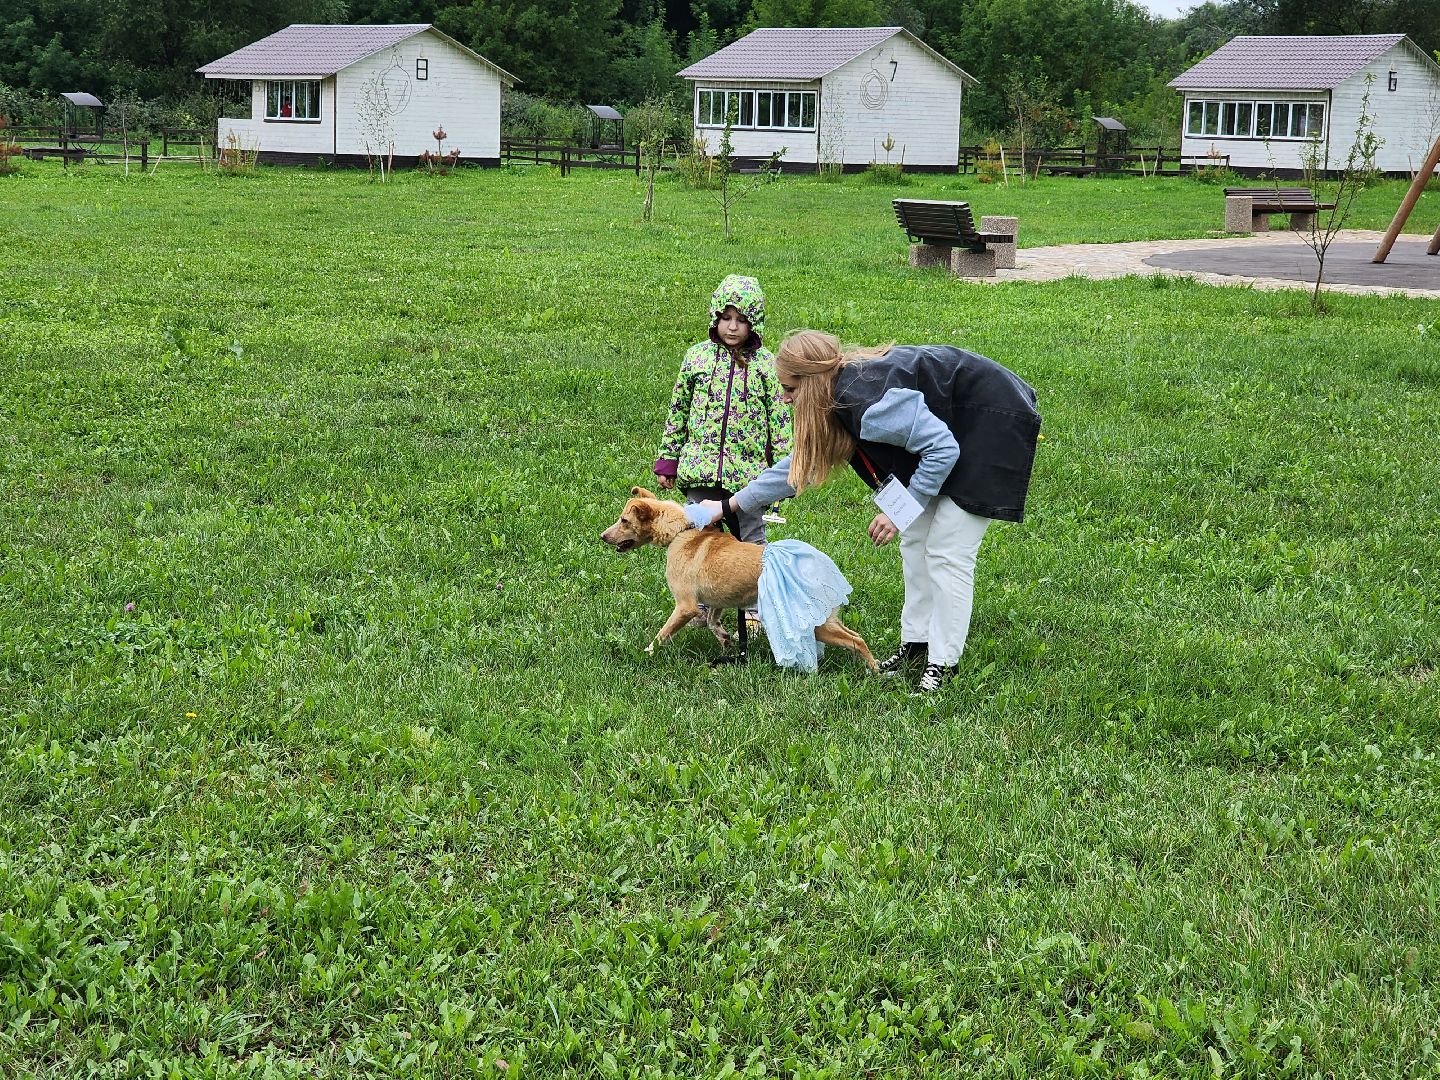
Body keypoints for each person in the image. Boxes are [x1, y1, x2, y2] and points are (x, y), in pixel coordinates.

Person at [685, 330, 1040, 694]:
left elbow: (942, 450)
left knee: (947, 553)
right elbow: (799, 467)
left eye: (790, 389)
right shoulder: (835, 402)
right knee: (916, 540)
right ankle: (917, 647)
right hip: (953, 428)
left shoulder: (868, 406)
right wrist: (728, 505)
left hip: (990, 421)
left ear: (813, 383)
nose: (784, 398)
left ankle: (943, 665)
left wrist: (898, 511)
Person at [654, 274, 791, 546]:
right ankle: (698, 587)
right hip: (699, 470)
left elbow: (780, 421)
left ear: (754, 323)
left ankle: (755, 587)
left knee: (752, 546)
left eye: (741, 320)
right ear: (715, 317)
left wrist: (783, 473)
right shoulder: (696, 358)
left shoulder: (766, 365)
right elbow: (678, 412)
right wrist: (668, 459)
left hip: (747, 477)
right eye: (726, 318)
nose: (732, 327)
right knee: (694, 540)